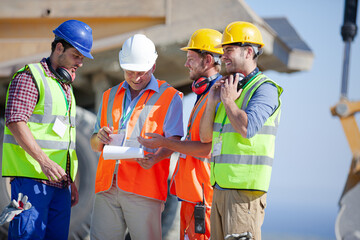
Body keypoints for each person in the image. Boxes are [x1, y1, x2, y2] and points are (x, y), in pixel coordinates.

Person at [2, 19, 94, 239]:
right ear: (59, 48)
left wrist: (69, 181)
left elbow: (64, 140)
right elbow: (15, 120)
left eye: (83, 58)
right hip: (31, 182)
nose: (80, 63)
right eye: (76, 55)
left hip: (59, 187)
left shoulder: (65, 88)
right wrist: (44, 161)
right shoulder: (30, 76)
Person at [89, 33, 184, 240]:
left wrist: (156, 158)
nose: (136, 78)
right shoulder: (109, 95)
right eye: (130, 72)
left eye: (141, 72)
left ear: (153, 67)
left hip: (144, 188)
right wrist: (100, 137)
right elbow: (94, 143)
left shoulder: (169, 98)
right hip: (107, 187)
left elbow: (176, 142)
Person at [199, 21, 283, 240]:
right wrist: (212, 101)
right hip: (219, 190)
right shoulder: (229, 88)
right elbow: (205, 137)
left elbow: (247, 128)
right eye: (222, 51)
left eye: (229, 50)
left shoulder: (265, 89)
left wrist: (227, 101)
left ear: (248, 52)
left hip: (244, 195)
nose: (223, 56)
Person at [138, 28, 223, 240]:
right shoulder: (204, 95)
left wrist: (164, 142)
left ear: (208, 60)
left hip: (202, 196)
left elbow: (206, 148)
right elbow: (190, 142)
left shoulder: (217, 97)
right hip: (192, 195)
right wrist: (160, 153)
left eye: (191, 59)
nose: (186, 64)